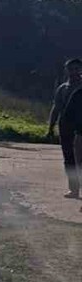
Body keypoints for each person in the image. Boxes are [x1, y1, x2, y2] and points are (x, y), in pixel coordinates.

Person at [47, 57, 82, 198]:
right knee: (69, 158)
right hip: (65, 127)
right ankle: (73, 189)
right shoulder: (62, 88)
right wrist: (50, 127)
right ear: (66, 70)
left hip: (80, 128)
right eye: (70, 69)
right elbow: (56, 108)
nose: (73, 72)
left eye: (76, 69)